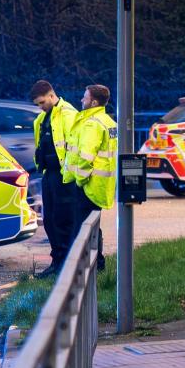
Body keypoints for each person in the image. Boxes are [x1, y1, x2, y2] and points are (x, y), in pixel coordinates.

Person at [63, 84, 117, 272]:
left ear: (93, 101)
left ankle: (89, 267)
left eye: (84, 97)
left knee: (84, 228)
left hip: (88, 184)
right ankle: (97, 264)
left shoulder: (92, 123)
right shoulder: (108, 122)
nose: (81, 100)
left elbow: (86, 157)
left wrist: (80, 180)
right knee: (93, 226)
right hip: (101, 184)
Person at [29, 80, 80, 278]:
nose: (40, 107)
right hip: (49, 174)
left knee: (63, 219)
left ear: (51, 95)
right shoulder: (43, 118)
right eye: (37, 104)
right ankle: (57, 262)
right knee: (50, 220)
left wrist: (69, 173)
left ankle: (66, 264)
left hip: (64, 176)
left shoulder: (67, 114)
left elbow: (73, 147)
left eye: (42, 102)